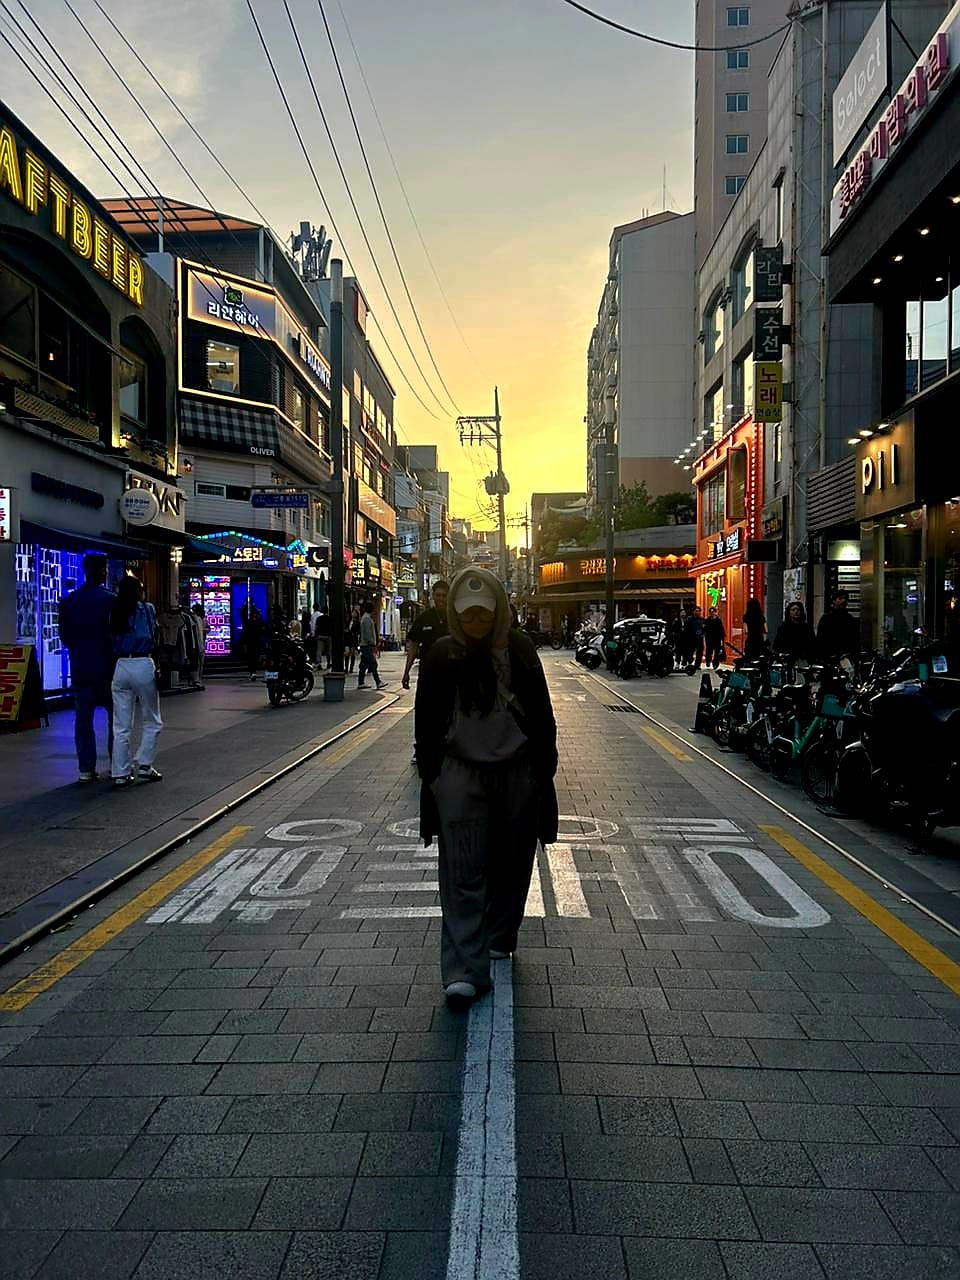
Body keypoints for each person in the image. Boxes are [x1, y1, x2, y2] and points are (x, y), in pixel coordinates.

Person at [415, 568, 558, 1006]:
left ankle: (500, 934)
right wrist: (432, 777)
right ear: (455, 614)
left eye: (484, 614)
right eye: (468, 614)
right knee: (462, 869)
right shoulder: (443, 653)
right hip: (460, 771)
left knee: (514, 862)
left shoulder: (519, 648)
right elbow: (426, 716)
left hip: (517, 770)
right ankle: (463, 969)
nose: (476, 622)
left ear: (498, 611)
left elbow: (541, 709)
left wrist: (544, 770)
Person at [58, 554, 116, 783]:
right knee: (116, 719)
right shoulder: (111, 600)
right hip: (108, 668)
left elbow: (65, 636)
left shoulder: (69, 601)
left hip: (80, 666)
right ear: (102, 571)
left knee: (83, 719)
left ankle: (86, 768)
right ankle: (116, 765)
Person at [109, 576, 163, 788]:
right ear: (139, 591)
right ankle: (145, 764)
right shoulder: (147, 609)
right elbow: (154, 633)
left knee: (121, 725)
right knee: (152, 719)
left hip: (121, 664)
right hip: (143, 663)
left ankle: (120, 773)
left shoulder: (115, 611)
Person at [401, 579, 449, 690]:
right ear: (433, 596)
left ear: (448, 596)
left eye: (444, 595)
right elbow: (413, 646)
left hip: (450, 674)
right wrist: (406, 672)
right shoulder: (424, 618)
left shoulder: (455, 618)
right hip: (427, 673)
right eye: (438, 595)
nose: (441, 599)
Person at [817, 590, 861, 658]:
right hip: (829, 656)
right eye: (840, 598)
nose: (843, 601)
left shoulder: (850, 619)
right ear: (834, 601)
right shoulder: (826, 619)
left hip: (847, 656)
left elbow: (855, 640)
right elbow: (821, 640)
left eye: (845, 599)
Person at [357, 603, 387, 690]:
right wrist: (372, 643)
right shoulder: (366, 619)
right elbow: (368, 633)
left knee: (364, 664)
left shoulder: (366, 618)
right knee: (373, 663)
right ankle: (378, 682)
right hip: (367, 645)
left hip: (365, 645)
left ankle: (361, 682)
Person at [240, 602, 264, 680]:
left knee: (252, 658)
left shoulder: (251, 622)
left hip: (252, 642)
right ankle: (253, 672)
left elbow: (243, 615)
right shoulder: (257, 622)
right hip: (254, 642)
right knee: (253, 658)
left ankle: (252, 672)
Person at [190, 602, 210, 686]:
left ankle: (198, 678)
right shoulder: (193, 619)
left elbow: (208, 628)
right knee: (198, 662)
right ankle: (196, 679)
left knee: (200, 662)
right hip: (197, 643)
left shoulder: (202, 620)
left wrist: (202, 630)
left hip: (200, 643)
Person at [681, 606, 705, 671]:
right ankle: (689, 662)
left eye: (698, 611)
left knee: (699, 653)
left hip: (699, 638)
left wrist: (702, 633)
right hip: (691, 638)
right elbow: (686, 628)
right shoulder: (689, 619)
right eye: (696, 611)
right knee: (689, 652)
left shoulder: (702, 619)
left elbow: (705, 628)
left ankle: (697, 665)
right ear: (693, 611)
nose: (697, 612)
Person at [344, 607, 361, 674]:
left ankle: (351, 668)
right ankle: (346, 668)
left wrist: (354, 633)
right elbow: (345, 627)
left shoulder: (358, 622)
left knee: (352, 653)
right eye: (353, 612)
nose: (353, 614)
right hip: (347, 638)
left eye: (355, 613)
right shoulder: (348, 621)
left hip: (354, 639)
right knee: (347, 653)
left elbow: (359, 631)